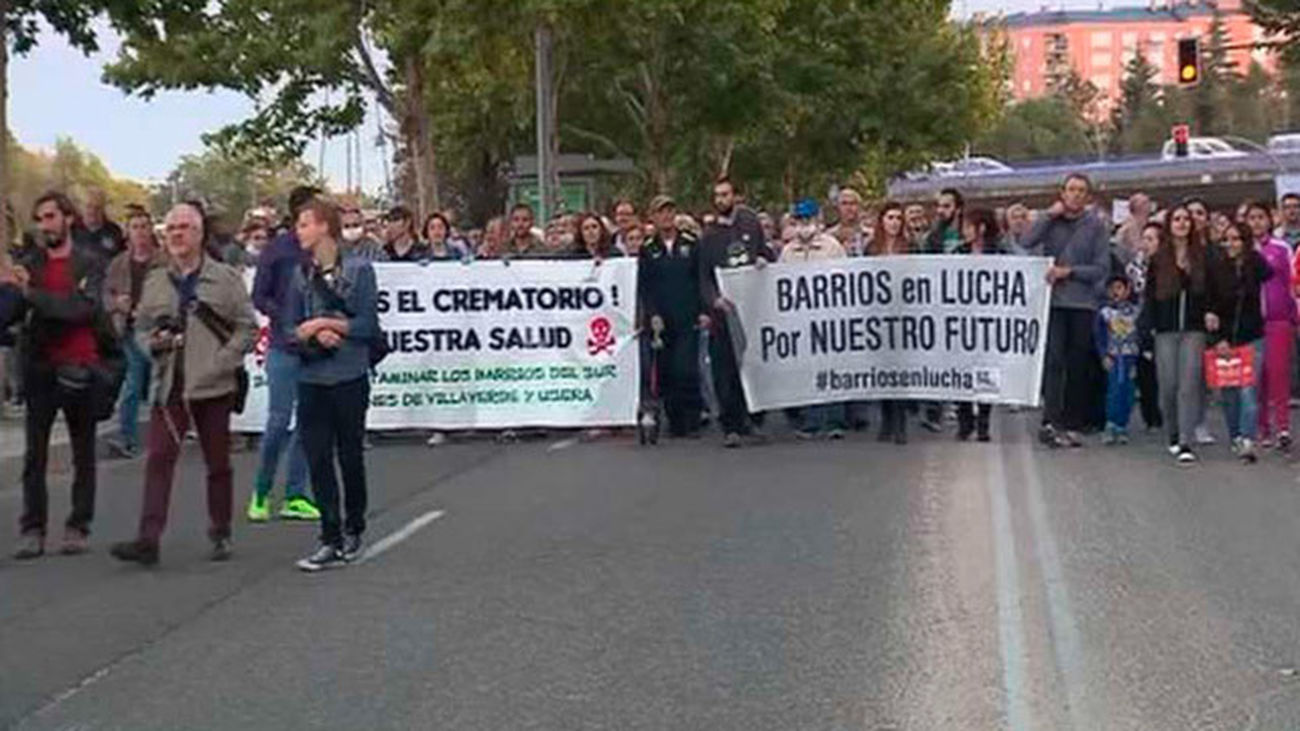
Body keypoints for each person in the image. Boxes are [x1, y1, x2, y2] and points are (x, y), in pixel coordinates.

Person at [109, 203, 257, 566]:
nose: (175, 234)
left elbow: (247, 328)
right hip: (170, 384)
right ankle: (148, 540)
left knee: (217, 463)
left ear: (200, 233)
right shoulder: (158, 281)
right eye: (171, 228)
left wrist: (222, 362)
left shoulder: (224, 278)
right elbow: (141, 327)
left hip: (213, 387)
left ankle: (220, 530)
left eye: (184, 227)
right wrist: (153, 345)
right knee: (159, 459)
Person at [7, 192, 123, 559]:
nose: (45, 225)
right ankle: (33, 528)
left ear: (68, 218)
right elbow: (14, 309)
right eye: (40, 218)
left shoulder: (90, 262)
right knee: (34, 455)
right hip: (40, 365)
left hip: (80, 365)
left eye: (51, 216)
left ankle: (78, 525)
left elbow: (81, 309)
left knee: (83, 451)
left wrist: (32, 295)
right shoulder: (30, 262)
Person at [287, 198, 380, 572]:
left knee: (349, 453)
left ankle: (354, 525)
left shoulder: (359, 270)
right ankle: (329, 535)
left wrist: (329, 325)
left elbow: (366, 326)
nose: (299, 230)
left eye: (305, 224)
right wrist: (309, 334)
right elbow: (288, 327)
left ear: (325, 226)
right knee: (317, 456)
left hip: (349, 375)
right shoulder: (299, 274)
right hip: (312, 376)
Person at [249, 186, 321, 524]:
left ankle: (295, 494)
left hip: (315, 347)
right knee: (279, 420)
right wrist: (284, 317)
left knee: (309, 420)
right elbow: (259, 296)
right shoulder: (277, 250)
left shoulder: (323, 249)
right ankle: (261, 492)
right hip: (283, 346)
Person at [1023, 174, 1112, 449]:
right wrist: (1048, 215)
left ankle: (1072, 423)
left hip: (1082, 302)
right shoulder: (1051, 221)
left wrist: (1069, 271)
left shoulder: (1096, 226)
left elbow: (1101, 268)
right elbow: (1027, 241)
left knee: (1077, 364)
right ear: (1062, 193)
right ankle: (1050, 420)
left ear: (1088, 197)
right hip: (1053, 302)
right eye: (1071, 190)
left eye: (1081, 191)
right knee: (1053, 361)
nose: (1075, 195)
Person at [698, 176, 774, 448]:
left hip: (751, 312)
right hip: (723, 315)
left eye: (726, 194)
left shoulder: (750, 225)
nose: (721, 200)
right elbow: (703, 276)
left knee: (751, 367)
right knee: (724, 371)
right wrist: (713, 299)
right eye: (717, 195)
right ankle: (730, 426)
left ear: (736, 196)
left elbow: (764, 253)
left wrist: (765, 259)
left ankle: (751, 421)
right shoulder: (709, 236)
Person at [1139, 205, 1208, 465]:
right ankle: (1173, 432)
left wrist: (1211, 313)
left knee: (1188, 383)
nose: (1182, 223)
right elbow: (1149, 298)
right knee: (1168, 385)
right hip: (1165, 329)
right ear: (1169, 224)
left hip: (1194, 328)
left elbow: (1211, 291)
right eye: (1177, 219)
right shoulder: (1159, 259)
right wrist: (1147, 330)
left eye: (1186, 219)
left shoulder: (1202, 256)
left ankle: (1186, 441)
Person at [780, 199, 849, 440]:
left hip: (829, 320)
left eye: (808, 220)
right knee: (807, 372)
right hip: (801, 323)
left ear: (817, 221)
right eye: (799, 220)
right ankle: (811, 421)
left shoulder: (832, 248)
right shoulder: (788, 251)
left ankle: (835, 420)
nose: (804, 225)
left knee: (832, 370)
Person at [638, 195, 704, 438]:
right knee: (666, 370)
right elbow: (646, 286)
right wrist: (653, 313)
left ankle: (693, 418)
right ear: (653, 217)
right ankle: (675, 420)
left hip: (688, 314)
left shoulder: (691, 243)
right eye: (661, 212)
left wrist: (704, 310)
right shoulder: (648, 249)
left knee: (686, 368)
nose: (666, 216)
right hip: (661, 319)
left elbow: (700, 278)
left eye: (669, 211)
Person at [104, 209, 168, 458]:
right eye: (135, 227)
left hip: (157, 330)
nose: (140, 232)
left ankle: (159, 438)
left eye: (144, 226)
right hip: (130, 329)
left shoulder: (164, 261)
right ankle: (127, 437)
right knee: (133, 383)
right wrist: (117, 303)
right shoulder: (119, 263)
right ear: (127, 233)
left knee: (159, 384)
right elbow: (105, 294)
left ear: (151, 230)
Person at [1205, 221, 1269, 464]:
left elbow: (1269, 274)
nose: (1231, 244)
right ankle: (1235, 435)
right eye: (1227, 239)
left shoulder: (1255, 264)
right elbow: (1210, 305)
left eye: (1236, 239)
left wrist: (1249, 258)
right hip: (1225, 339)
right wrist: (1218, 339)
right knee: (1229, 394)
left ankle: (1247, 439)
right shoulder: (1216, 269)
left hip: (1252, 337)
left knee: (1249, 391)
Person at [1245, 201, 1295, 451]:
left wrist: (1293, 315)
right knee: (1257, 377)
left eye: (1260, 217)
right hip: (1252, 323)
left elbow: (1292, 285)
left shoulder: (1282, 248)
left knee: (1279, 373)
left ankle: (1283, 427)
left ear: (1270, 220)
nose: (1256, 222)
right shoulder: (1242, 250)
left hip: (1278, 320)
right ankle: (1262, 428)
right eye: (1251, 218)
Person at [954, 208, 1004, 442]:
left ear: (981, 228)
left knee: (986, 373)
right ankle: (965, 421)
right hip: (962, 322)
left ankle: (984, 422)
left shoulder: (1000, 254)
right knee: (961, 371)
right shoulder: (957, 254)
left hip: (988, 323)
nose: (963, 232)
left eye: (967, 226)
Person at [867, 202, 912, 444]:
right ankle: (886, 420)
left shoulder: (911, 248)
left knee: (900, 369)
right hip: (878, 316)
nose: (894, 222)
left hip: (904, 315)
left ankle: (900, 422)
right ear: (882, 221)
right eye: (890, 217)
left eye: (898, 218)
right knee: (883, 369)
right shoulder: (871, 249)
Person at [1095, 275, 1141, 445]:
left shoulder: (1135, 311)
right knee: (1113, 390)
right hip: (1113, 356)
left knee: (1128, 392)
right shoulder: (1104, 313)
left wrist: (1140, 356)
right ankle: (1110, 423)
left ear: (1127, 290)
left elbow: (1140, 334)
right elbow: (1099, 336)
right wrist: (1103, 355)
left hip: (1130, 356)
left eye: (1120, 288)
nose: (1116, 292)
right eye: (1113, 288)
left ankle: (1122, 425)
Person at [1132, 222, 1163, 432]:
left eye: (1152, 239)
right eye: (1145, 238)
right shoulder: (1134, 266)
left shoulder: (1167, 265)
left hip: (1162, 319)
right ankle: (1150, 416)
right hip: (1140, 321)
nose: (1147, 243)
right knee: (1146, 372)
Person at [74, 187, 125, 260]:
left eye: (97, 207)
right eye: (89, 206)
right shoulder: (71, 229)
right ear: (82, 206)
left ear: (103, 209)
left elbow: (121, 261)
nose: (93, 211)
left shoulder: (115, 231)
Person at [827, 187, 869, 256]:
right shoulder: (829, 236)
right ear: (837, 207)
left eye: (852, 203)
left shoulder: (870, 236)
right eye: (844, 204)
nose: (849, 208)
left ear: (859, 207)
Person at [923, 188, 963, 254]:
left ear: (958, 209)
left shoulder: (968, 235)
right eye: (938, 206)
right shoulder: (931, 237)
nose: (940, 211)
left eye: (946, 206)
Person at [1115, 193, 1153, 259]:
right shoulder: (1129, 226)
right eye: (1145, 203)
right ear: (1137, 206)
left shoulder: (1147, 222)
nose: (1149, 205)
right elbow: (1135, 247)